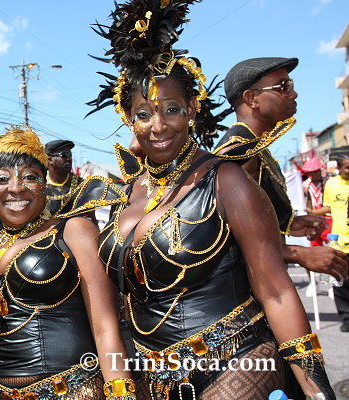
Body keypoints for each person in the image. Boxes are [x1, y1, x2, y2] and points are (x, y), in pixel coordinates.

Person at [89, 1, 335, 398]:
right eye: (143, 114)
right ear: (129, 119)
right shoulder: (124, 193)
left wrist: (316, 388)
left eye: (171, 110)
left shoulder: (225, 179)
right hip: (151, 373)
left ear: (191, 109)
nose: (158, 126)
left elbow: (275, 290)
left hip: (236, 358)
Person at [0, 126, 135, 399]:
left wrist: (121, 392)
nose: (16, 187)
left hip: (72, 391)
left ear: (45, 184)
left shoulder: (72, 231)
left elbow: (106, 328)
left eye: (30, 177)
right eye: (2, 178)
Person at [214, 57, 348, 283]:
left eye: (290, 85)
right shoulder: (238, 153)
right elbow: (225, 236)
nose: (293, 93)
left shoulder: (257, 148)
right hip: (241, 291)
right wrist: (298, 254)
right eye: (283, 86)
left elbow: (251, 218)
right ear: (251, 98)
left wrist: (290, 223)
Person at [321, 154, 349, 332]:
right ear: (339, 168)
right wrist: (309, 212)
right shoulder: (331, 184)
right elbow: (328, 207)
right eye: (347, 167)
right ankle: (346, 317)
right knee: (341, 282)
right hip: (339, 240)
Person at [44, 139, 82, 215]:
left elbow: (90, 217)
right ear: (50, 160)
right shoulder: (39, 185)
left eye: (70, 155)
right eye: (64, 155)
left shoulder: (82, 185)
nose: (69, 159)